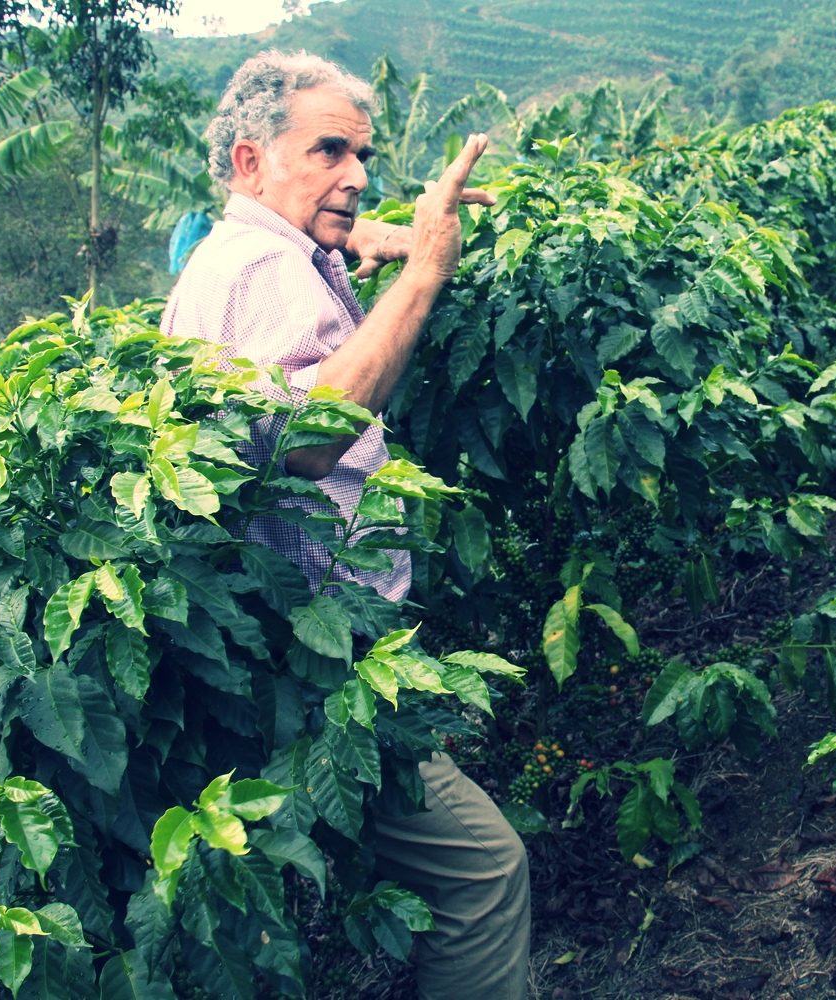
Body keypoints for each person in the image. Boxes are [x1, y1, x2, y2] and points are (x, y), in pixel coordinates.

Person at [160, 50, 530, 1000]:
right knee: (485, 871)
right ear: (249, 162)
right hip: (319, 669)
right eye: (328, 151)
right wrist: (429, 270)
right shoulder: (264, 269)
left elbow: (317, 283)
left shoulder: (252, 251)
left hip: (288, 651)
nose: (357, 175)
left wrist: (378, 239)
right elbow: (309, 439)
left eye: (362, 154)